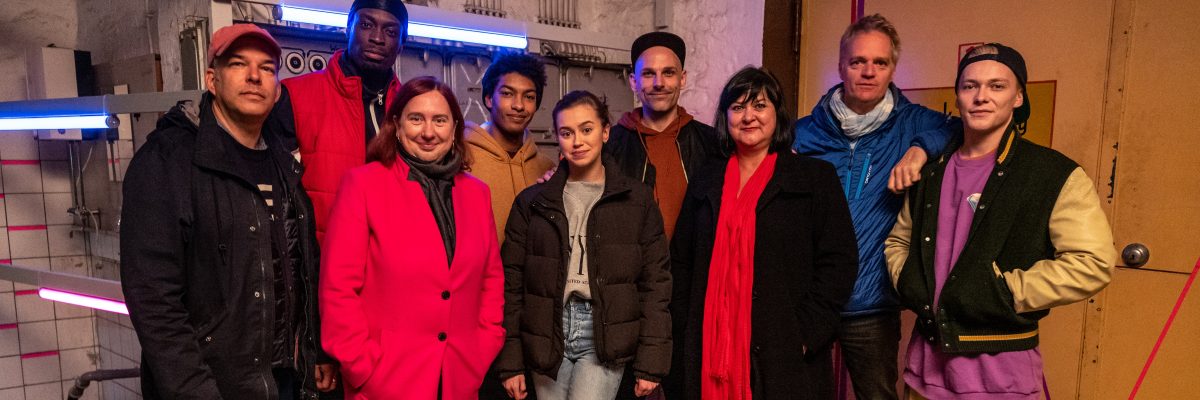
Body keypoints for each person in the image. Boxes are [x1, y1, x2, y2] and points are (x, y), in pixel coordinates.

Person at [884, 43, 1117, 399]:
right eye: (970, 86)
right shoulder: (929, 170)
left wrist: (1005, 291)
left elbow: (1093, 263)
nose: (981, 96)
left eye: (997, 86)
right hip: (924, 374)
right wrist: (909, 281)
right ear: (958, 96)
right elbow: (899, 240)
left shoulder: (1052, 174)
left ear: (1018, 97)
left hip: (1001, 378)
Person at [121, 24, 335, 399]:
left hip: (281, 379)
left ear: (277, 90)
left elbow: (302, 267)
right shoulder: (167, 161)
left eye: (267, 68)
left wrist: (313, 349)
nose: (254, 76)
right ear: (212, 80)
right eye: (238, 64)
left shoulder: (284, 165)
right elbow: (154, 301)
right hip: (212, 386)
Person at [667, 67, 859, 400]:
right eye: (737, 107)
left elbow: (839, 262)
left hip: (783, 350)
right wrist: (684, 329)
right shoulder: (705, 179)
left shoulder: (814, 178)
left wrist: (806, 333)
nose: (748, 117)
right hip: (709, 347)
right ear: (725, 116)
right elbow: (682, 260)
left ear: (777, 113)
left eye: (759, 105)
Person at [791, 14, 953, 399]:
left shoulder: (913, 124)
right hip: (810, 298)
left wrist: (920, 149)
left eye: (880, 62)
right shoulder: (803, 132)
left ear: (893, 68)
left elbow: (962, 127)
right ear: (840, 65)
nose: (868, 72)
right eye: (857, 61)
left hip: (872, 303)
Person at [319, 76, 505, 399]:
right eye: (416, 118)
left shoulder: (477, 194)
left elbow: (491, 280)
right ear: (396, 125)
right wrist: (363, 366)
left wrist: (483, 349)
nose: (428, 132)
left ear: (455, 128)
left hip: (459, 379)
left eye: (440, 120)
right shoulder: (363, 185)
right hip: (385, 382)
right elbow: (338, 289)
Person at [496, 91, 672, 400]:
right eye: (566, 133)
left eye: (586, 129)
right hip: (546, 330)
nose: (577, 141)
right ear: (558, 139)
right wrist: (510, 362)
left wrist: (651, 363)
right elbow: (511, 283)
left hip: (603, 330)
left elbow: (655, 282)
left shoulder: (638, 200)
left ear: (605, 132)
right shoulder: (532, 202)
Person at [270, 0, 409, 243]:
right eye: (366, 25)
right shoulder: (295, 97)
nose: (377, 38)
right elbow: (276, 198)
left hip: (391, 257)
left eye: (390, 31)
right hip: (321, 258)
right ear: (348, 28)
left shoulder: (411, 108)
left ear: (401, 44)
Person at [604, 31, 721, 239]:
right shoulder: (609, 145)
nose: (659, 83)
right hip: (631, 260)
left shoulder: (712, 143)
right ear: (633, 81)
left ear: (682, 79)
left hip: (694, 260)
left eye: (668, 72)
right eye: (648, 74)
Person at [466, 52, 556, 242]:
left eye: (529, 97)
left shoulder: (546, 168)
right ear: (489, 99)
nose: (519, 105)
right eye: (507, 93)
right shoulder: (462, 158)